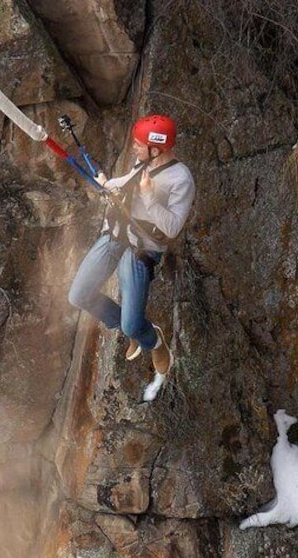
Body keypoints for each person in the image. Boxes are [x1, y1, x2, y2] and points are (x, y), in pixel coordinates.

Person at [68, 114, 195, 378]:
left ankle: (153, 341)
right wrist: (107, 184)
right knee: (79, 295)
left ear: (156, 149)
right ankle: (129, 328)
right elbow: (128, 182)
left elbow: (172, 228)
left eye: (139, 144)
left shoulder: (181, 180)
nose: (134, 148)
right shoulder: (143, 161)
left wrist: (149, 197)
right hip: (116, 234)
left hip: (142, 249)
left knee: (132, 323)